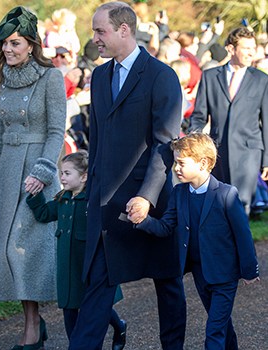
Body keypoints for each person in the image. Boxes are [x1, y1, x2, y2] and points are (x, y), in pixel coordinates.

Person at [68, 2, 185, 350]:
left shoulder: (162, 76)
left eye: (100, 31)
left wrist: (147, 198)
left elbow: (165, 144)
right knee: (97, 285)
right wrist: (92, 192)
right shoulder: (100, 76)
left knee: (168, 283)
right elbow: (99, 140)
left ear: (124, 30)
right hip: (107, 203)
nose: (95, 39)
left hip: (153, 201)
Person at [0, 6, 66, 350]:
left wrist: (43, 172)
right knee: (8, 252)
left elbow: (57, 130)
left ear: (30, 44)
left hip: (36, 175)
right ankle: (32, 323)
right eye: (3, 44)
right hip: (8, 172)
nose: (7, 50)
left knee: (26, 250)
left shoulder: (50, 77)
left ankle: (33, 326)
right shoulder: (3, 78)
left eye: (14, 43)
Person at [130, 132, 260, 350]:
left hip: (224, 274)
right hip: (201, 273)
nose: (176, 168)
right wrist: (143, 220)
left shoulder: (226, 194)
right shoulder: (179, 193)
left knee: (214, 332)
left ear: (203, 163)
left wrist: (250, 270)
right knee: (221, 324)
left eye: (181, 163)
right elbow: (165, 227)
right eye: (175, 162)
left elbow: (243, 235)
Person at [26, 150, 127, 349]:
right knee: (70, 307)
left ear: (83, 176)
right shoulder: (62, 199)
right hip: (67, 265)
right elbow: (44, 214)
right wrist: (35, 195)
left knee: (96, 306)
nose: (61, 178)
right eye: (61, 173)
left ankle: (119, 326)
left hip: (87, 264)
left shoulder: (91, 200)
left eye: (67, 173)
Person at [189, 27, 268, 216]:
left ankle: (242, 245)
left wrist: (267, 160)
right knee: (217, 205)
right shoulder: (209, 77)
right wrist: (195, 146)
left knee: (241, 206)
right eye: (246, 48)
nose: (251, 52)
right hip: (217, 151)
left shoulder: (261, 79)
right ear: (231, 49)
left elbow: (266, 121)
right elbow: (199, 116)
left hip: (249, 151)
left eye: (253, 47)